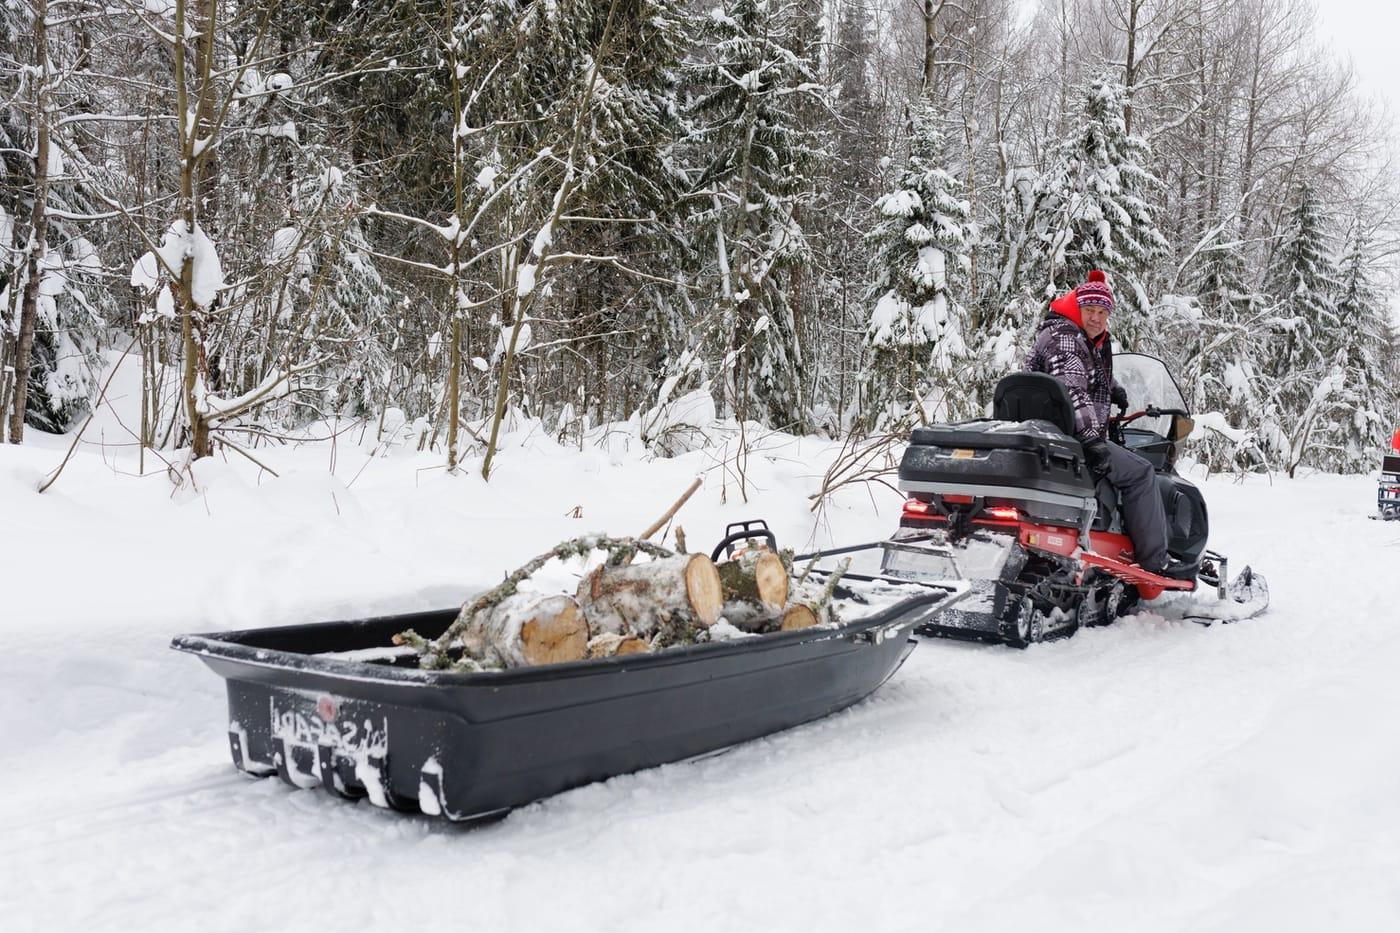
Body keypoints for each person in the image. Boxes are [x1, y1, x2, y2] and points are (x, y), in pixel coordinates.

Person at [1025, 270, 1180, 576]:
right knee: (1140, 473)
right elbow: (1072, 389)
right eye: (1089, 310)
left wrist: (1113, 388)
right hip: (1070, 438)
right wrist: (1092, 439)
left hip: (1054, 433)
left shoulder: (1075, 335)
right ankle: (1155, 562)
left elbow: (1083, 373)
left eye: (1102, 312)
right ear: (1077, 307)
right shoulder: (1067, 338)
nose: (1095, 318)